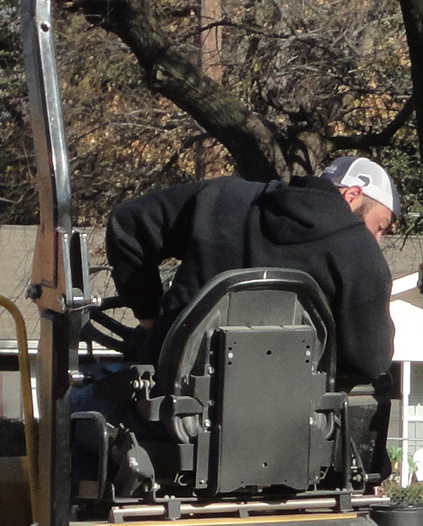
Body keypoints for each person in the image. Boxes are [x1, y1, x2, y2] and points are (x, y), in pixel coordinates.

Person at [101, 154, 398, 388]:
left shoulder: (222, 196)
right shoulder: (360, 251)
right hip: (291, 429)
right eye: (379, 226)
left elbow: (128, 224)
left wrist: (150, 317)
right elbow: (371, 362)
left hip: (170, 408)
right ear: (352, 195)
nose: (376, 239)